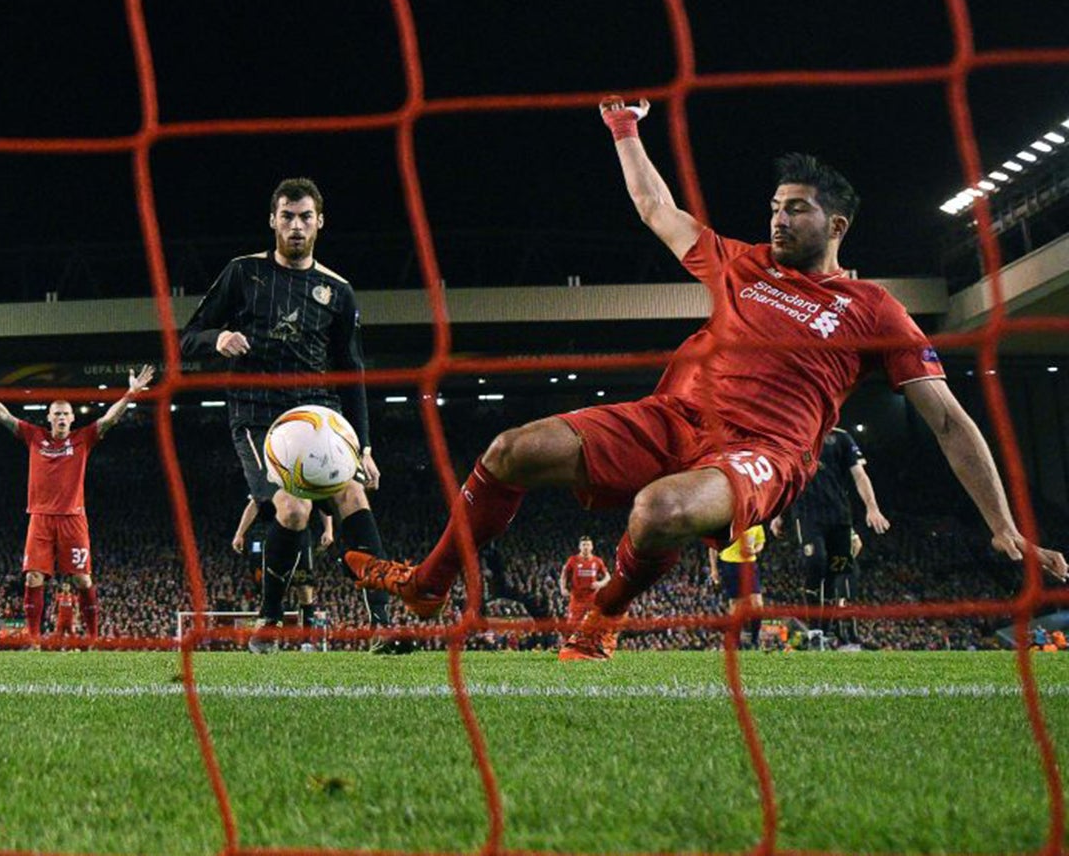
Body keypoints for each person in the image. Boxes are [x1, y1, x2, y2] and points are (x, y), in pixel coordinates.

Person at [349, 99, 1068, 661]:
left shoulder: (874, 309)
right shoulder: (743, 263)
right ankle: (426, 586)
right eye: (775, 206)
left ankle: (603, 621)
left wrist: (1006, 528)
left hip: (762, 453)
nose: (778, 218)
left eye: (797, 209)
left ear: (838, 223)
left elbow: (947, 418)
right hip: (673, 418)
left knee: (658, 512)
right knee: (509, 449)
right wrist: (624, 127)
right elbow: (657, 210)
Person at [180, 178, 396, 652]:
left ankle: (383, 625)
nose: (296, 226)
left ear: (320, 221)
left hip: (320, 413)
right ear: (272, 221)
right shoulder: (242, 273)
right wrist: (216, 339)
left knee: (355, 498)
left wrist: (363, 446)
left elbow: (351, 371)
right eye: (287, 216)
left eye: (305, 217)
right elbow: (187, 336)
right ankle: (271, 618)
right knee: (294, 509)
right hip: (258, 415)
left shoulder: (337, 291)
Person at [0, 362, 153, 643]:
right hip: (39, 517)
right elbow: (4, 416)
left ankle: (92, 638)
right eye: (57, 414)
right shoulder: (34, 437)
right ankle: (34, 639)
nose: (62, 418)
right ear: (49, 418)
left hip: (73, 518)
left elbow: (110, 419)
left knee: (82, 580)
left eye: (66, 414)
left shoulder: (83, 439)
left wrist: (131, 393)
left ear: (72, 418)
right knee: (32, 578)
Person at [786, 425, 889, 648]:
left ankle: (825, 632)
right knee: (816, 562)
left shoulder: (842, 438)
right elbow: (788, 478)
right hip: (807, 515)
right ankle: (814, 630)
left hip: (840, 517)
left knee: (836, 572)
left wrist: (872, 507)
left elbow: (860, 475)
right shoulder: (796, 434)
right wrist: (777, 514)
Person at [234, 496, 335, 646]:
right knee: (273, 585)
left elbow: (323, 501)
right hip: (273, 533)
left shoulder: (307, 476)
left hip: (300, 534)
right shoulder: (268, 476)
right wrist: (239, 533)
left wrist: (328, 530)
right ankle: (268, 635)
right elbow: (254, 503)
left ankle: (307, 639)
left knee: (304, 585)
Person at [707, 524, 766, 650]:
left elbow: (761, 542)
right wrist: (714, 569)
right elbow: (712, 547)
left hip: (749, 564)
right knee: (736, 605)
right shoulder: (725, 521)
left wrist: (755, 550)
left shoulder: (756, 520)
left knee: (758, 605)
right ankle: (736, 641)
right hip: (729, 564)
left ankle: (755, 639)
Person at [559, 536, 608, 633]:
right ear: (579, 547)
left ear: (592, 547)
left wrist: (600, 583)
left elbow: (608, 577)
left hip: (592, 598)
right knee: (572, 625)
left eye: (588, 545)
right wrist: (563, 588)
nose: (586, 547)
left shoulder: (597, 561)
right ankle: (572, 645)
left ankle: (592, 646)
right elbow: (564, 575)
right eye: (584, 545)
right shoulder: (573, 560)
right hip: (577, 598)